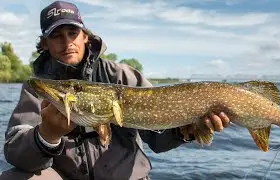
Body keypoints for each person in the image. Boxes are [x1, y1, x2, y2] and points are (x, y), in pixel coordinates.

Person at [2, 1, 230, 180]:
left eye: (72, 33)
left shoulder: (122, 76)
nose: (67, 42)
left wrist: (185, 130)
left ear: (85, 37)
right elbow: (15, 152)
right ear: (44, 43)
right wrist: (47, 135)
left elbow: (158, 142)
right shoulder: (39, 89)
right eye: (56, 35)